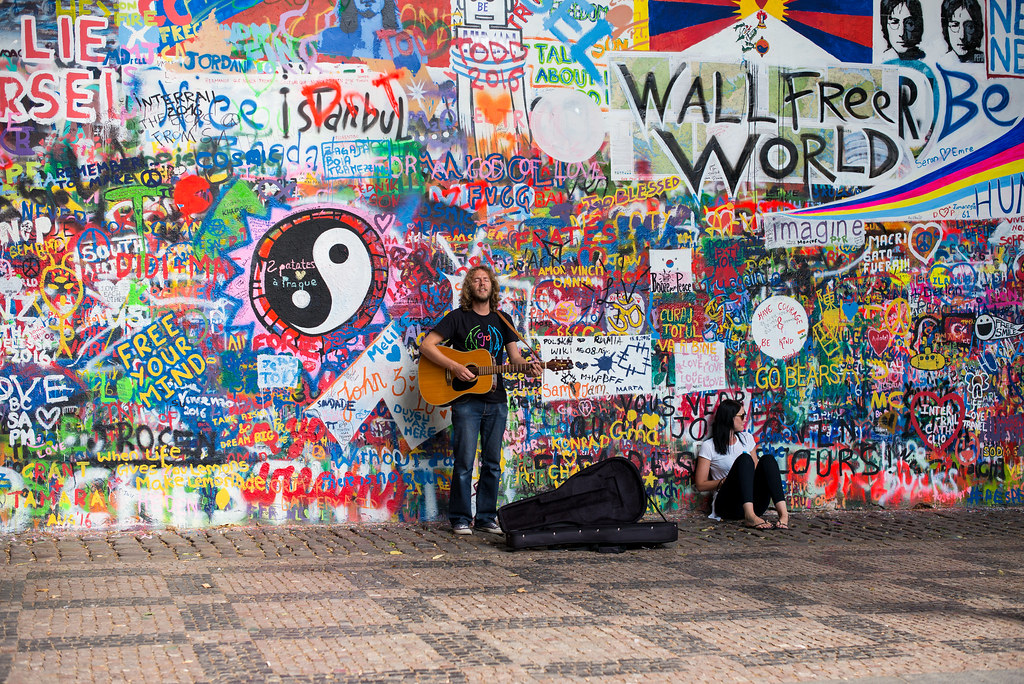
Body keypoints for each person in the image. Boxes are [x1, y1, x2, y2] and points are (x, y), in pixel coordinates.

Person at [420, 266, 541, 536]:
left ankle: (486, 518)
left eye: (486, 279)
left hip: (497, 401)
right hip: (465, 402)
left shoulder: (503, 319)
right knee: (464, 462)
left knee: (493, 463)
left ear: (492, 287)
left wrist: (528, 367)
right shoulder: (458, 318)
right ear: (469, 287)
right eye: (476, 279)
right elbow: (426, 346)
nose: (482, 283)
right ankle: (461, 518)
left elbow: (515, 359)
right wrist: (453, 366)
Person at [694, 399, 789, 530]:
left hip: (755, 503)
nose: (745, 420)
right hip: (728, 505)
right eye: (742, 416)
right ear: (729, 418)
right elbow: (700, 484)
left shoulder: (747, 438)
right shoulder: (709, 446)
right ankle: (749, 516)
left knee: (768, 459)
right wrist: (725, 482)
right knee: (744, 459)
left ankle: (783, 514)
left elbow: (756, 469)